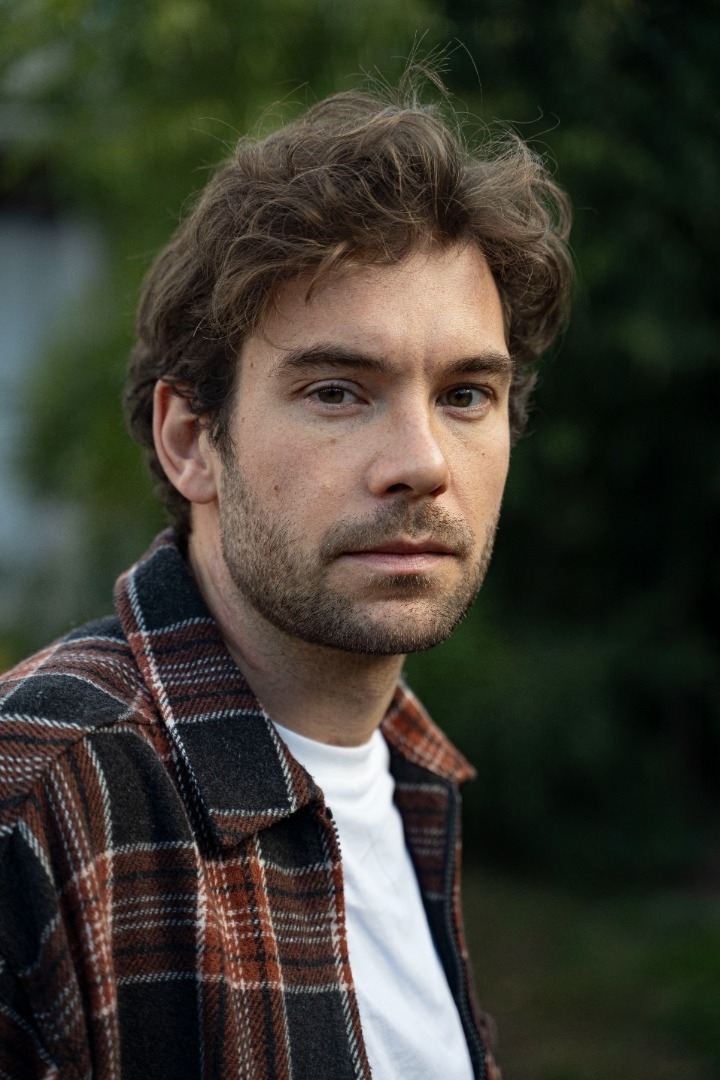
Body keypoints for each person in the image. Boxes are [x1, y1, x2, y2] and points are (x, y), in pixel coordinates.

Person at [0, 79, 572, 1079]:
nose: (423, 462)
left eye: (465, 394)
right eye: (338, 392)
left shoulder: (409, 777)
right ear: (192, 441)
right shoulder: (36, 804)